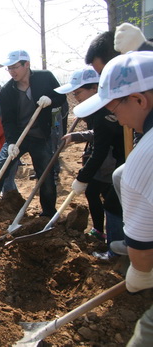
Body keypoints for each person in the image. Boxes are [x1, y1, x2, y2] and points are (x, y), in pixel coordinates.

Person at [73, 50, 153, 347]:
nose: (114, 115)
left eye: (114, 106)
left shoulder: (144, 158)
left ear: (140, 100)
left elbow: (143, 250)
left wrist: (141, 272)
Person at [0, 50, 66, 225]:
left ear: (27, 64)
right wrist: (10, 143)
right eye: (9, 68)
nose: (12, 71)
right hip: (18, 137)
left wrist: (51, 100)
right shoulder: (7, 91)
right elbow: (8, 121)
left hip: (41, 137)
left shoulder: (45, 78)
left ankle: (48, 213)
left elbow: (61, 95)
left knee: (46, 174)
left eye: (15, 67)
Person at [55, 66, 125, 257]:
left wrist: (82, 177)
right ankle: (103, 234)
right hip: (113, 160)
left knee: (112, 203)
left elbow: (100, 150)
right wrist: (77, 136)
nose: (76, 97)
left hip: (118, 162)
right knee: (96, 192)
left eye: (78, 92)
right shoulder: (99, 112)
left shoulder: (105, 112)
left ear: (94, 88)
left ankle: (115, 249)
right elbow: (100, 135)